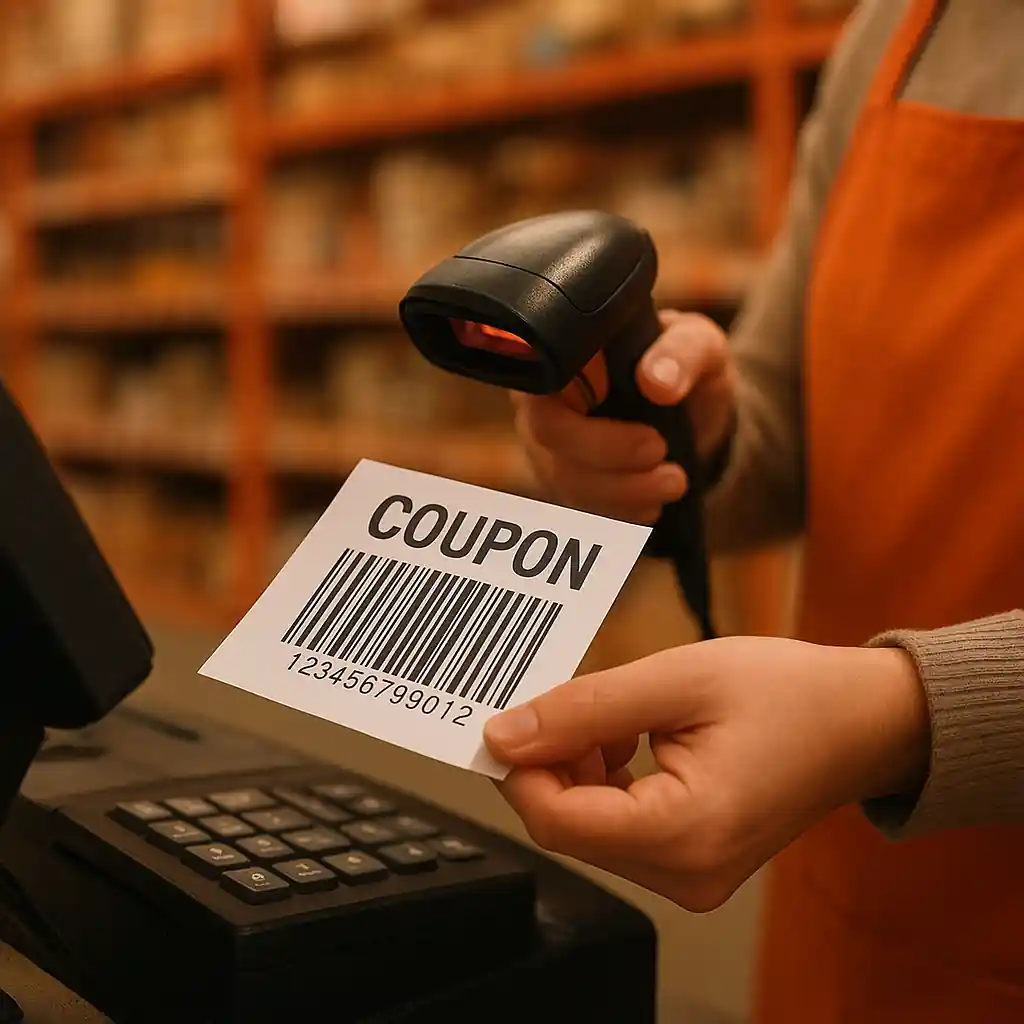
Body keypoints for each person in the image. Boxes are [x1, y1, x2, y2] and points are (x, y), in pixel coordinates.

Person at [482, 1, 1024, 1021]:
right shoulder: (899, 29)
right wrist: (678, 437)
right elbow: (790, 426)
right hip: (848, 913)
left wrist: (900, 716)